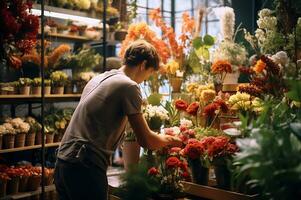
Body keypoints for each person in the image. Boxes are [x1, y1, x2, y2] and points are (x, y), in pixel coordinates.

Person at [54, 40, 182, 200]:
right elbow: (146, 140)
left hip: (63, 162)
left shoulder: (98, 79)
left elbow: (100, 119)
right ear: (143, 65)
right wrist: (171, 140)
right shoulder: (129, 86)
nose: (145, 80)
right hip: (85, 166)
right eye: (149, 73)